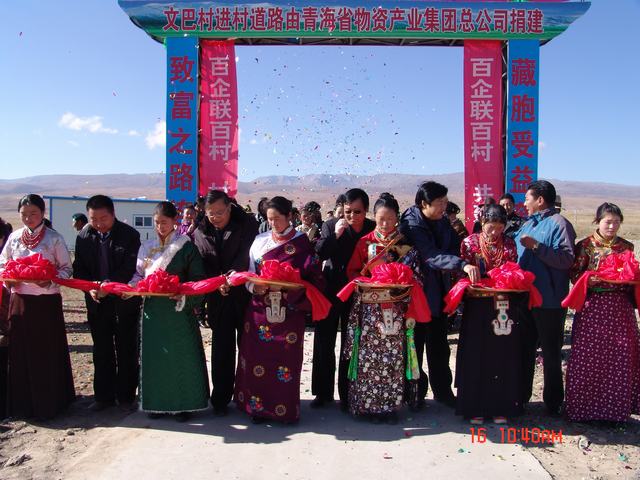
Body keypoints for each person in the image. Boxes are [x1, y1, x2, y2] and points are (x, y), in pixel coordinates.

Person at [234, 196, 324, 423]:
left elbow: (314, 278)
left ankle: (284, 410)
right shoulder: (260, 241)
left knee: (285, 361)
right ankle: (257, 409)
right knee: (257, 359)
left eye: (277, 218)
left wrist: (292, 289)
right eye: (269, 219)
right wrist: (254, 287)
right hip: (259, 311)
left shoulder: (302, 243)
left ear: (290, 216)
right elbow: (249, 272)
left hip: (289, 313)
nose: (272, 223)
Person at [342, 193, 423, 422]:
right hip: (369, 309)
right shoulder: (365, 242)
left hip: (396, 308)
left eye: (390, 219)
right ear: (374, 217)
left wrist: (402, 284)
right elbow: (352, 272)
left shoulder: (406, 245)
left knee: (392, 358)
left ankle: (389, 407)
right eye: (380, 219)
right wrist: (365, 281)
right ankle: (365, 406)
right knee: (367, 359)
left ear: (397, 218)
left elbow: (417, 277)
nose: (385, 224)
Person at [400, 181, 479, 409]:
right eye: (440, 202)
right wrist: (461, 265)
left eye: (445, 201)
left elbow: (455, 246)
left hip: (437, 292)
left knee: (439, 346)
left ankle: (443, 392)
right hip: (416, 294)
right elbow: (430, 255)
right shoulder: (411, 224)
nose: (445, 206)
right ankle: (414, 394)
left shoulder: (442, 221)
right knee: (414, 346)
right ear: (424, 203)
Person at [132, 201, 209, 420]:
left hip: (178, 311)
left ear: (175, 221)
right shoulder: (146, 246)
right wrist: (134, 287)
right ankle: (156, 404)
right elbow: (138, 274)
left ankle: (184, 405)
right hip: (152, 312)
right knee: (156, 357)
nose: (160, 227)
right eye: (156, 222)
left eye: (164, 222)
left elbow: (198, 280)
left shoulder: (186, 247)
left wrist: (184, 295)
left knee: (180, 358)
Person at [0, 194, 75, 419]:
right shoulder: (14, 237)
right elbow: (3, 264)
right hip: (19, 302)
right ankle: (22, 406)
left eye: (33, 213)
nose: (28, 218)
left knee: (45, 352)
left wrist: (50, 280)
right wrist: (7, 279)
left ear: (43, 213)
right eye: (24, 214)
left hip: (46, 303)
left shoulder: (54, 238)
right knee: (20, 352)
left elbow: (66, 269)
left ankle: (50, 404)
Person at [565, 203, 640, 422]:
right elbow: (574, 274)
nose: (612, 226)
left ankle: (615, 412)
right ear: (598, 221)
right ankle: (583, 410)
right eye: (608, 222)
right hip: (593, 307)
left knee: (620, 356)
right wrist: (588, 279)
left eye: (616, 222)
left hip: (620, 308)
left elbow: (631, 273)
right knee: (588, 357)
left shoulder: (626, 246)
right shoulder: (585, 245)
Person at [455, 204, 527, 425]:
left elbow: (512, 270)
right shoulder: (469, 243)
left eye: (499, 227)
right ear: (482, 223)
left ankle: (500, 406)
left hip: (502, 304)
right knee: (476, 353)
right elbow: (460, 273)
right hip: (477, 305)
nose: (494, 232)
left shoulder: (509, 244)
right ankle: (474, 407)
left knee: (501, 355)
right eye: (490, 226)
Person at [73, 194, 142, 412]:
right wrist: (91, 287)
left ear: (113, 214)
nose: (99, 224)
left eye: (103, 218)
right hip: (97, 302)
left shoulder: (129, 235)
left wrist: (108, 286)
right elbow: (79, 268)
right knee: (101, 349)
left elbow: (131, 267)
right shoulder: (84, 236)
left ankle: (126, 396)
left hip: (123, 301)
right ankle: (104, 397)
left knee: (126, 348)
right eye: (94, 219)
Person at [192, 190, 259, 416]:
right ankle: (220, 398)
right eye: (210, 213)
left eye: (220, 212)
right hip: (217, 297)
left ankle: (249, 396)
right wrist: (216, 282)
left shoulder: (247, 225)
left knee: (248, 348)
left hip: (244, 295)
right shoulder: (200, 231)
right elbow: (201, 262)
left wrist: (231, 278)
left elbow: (247, 255)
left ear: (229, 207)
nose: (215, 217)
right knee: (221, 349)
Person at [516, 180, 576, 416]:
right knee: (524, 348)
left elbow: (566, 260)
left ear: (540, 200)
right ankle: (520, 398)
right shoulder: (528, 223)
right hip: (524, 298)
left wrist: (537, 247)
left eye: (527, 198)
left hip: (550, 300)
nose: (524, 203)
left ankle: (553, 402)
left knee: (550, 352)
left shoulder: (560, 224)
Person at [312, 188, 375, 409]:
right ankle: (322, 393)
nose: (352, 216)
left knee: (352, 343)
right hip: (331, 290)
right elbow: (319, 252)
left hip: (357, 293)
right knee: (324, 342)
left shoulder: (371, 228)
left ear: (366, 210)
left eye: (357, 212)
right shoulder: (331, 225)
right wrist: (335, 235)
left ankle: (348, 394)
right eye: (348, 211)